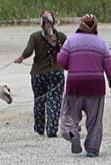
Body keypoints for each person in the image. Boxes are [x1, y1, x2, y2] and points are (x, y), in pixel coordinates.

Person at [57, 14, 111, 157]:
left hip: (75, 85)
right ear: (96, 26)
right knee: (95, 120)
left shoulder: (70, 41)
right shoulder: (102, 43)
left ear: (80, 25)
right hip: (96, 86)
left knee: (69, 115)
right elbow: (109, 67)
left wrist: (71, 65)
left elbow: (61, 61)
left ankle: (72, 134)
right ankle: (92, 149)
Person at [14, 10, 67, 138]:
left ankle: (39, 128)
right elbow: (67, 52)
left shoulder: (35, 36)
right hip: (56, 73)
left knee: (39, 100)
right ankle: (51, 129)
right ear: (54, 21)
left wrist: (21, 58)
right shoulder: (61, 37)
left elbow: (28, 51)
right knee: (54, 101)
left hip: (37, 74)